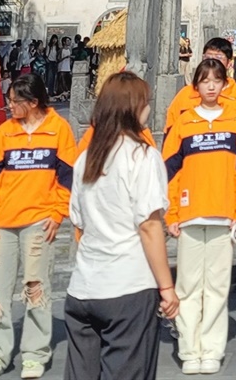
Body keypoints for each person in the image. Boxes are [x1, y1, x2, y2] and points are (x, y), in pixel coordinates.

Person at [64, 71, 178, 380]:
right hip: (128, 287)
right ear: (133, 107)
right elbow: (150, 226)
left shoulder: (86, 158)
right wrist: (167, 287)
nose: (149, 109)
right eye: (146, 102)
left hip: (84, 288)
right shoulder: (143, 156)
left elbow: (78, 221)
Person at [0, 73, 78, 380]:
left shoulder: (58, 128)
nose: (9, 106)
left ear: (33, 103)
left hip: (39, 221)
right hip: (3, 223)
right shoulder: (4, 131)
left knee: (36, 287)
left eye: (14, 102)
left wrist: (58, 212)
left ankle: (35, 353)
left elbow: (67, 176)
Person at [163, 58, 236, 374]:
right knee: (187, 286)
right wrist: (171, 212)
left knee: (217, 287)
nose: (211, 86)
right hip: (189, 214)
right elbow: (170, 172)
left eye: (217, 80)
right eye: (205, 80)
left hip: (223, 214)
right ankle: (189, 350)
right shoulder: (184, 122)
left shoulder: (235, 120)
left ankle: (212, 349)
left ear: (225, 84)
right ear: (196, 85)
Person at [164, 37, 236, 142]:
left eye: (219, 57)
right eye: (208, 57)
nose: (212, 61)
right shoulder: (186, 94)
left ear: (229, 63)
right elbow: (171, 132)